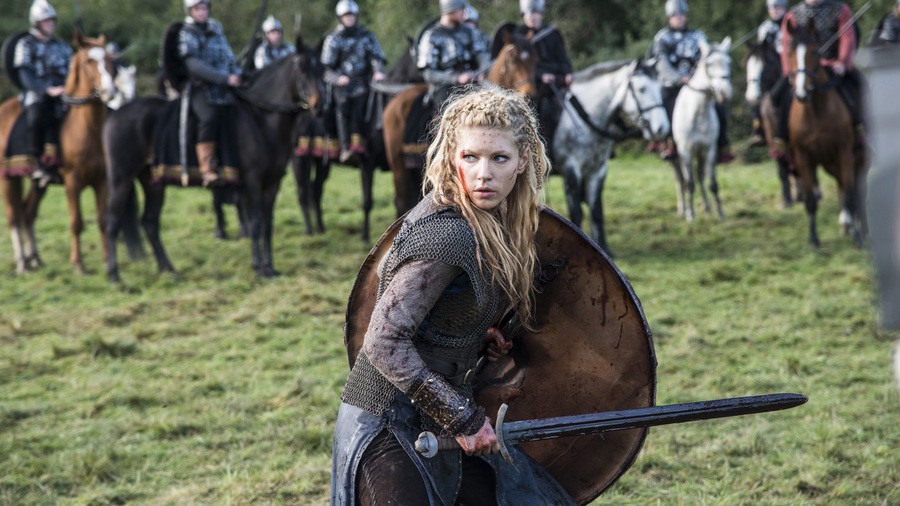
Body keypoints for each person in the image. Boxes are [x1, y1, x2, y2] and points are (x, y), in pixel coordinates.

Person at [331, 84, 574, 505]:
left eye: (499, 158)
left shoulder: (494, 222)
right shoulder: (448, 233)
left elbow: (438, 312)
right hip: (388, 418)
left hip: (438, 411)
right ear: (452, 157)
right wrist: (462, 419)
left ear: (523, 160)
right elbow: (384, 340)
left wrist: (473, 333)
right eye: (470, 157)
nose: (483, 174)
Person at [772, 0, 865, 164]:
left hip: (834, 67)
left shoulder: (840, 10)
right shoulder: (793, 15)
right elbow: (787, 46)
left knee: (860, 87)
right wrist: (789, 72)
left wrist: (843, 62)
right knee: (779, 97)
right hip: (802, 70)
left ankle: (861, 134)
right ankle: (783, 142)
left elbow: (848, 39)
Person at [652, 0, 735, 163]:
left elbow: (704, 60)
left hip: (696, 86)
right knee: (666, 109)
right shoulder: (663, 37)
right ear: (669, 17)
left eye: (682, 14)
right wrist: (678, 77)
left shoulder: (698, 37)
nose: (679, 18)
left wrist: (698, 74)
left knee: (719, 108)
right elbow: (662, 63)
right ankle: (669, 143)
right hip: (672, 86)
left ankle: (722, 145)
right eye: (675, 15)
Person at [177, 0, 242, 187]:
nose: (202, 12)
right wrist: (224, 78)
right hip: (200, 88)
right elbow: (194, 66)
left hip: (224, 88)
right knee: (209, 117)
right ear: (190, 10)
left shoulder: (216, 29)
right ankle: (208, 168)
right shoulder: (186, 32)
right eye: (197, 9)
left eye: (204, 8)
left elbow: (229, 57)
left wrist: (237, 74)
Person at [13, 0, 72, 184]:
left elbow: (72, 71)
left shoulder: (62, 46)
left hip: (64, 93)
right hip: (37, 94)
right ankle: (38, 162)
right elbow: (25, 74)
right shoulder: (26, 44)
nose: (50, 24)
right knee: (36, 117)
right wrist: (46, 90)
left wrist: (68, 88)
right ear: (36, 23)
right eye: (46, 21)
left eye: (52, 20)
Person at [321, 0, 386, 164]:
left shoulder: (366, 35)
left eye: (351, 15)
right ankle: (344, 148)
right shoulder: (333, 38)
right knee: (342, 106)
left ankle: (364, 145)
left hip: (363, 83)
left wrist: (377, 71)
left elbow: (376, 56)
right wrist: (338, 79)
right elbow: (326, 68)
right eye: (346, 16)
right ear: (340, 18)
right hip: (341, 85)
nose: (349, 18)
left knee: (366, 105)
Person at [513, 0, 573, 147]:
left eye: (534, 13)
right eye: (527, 14)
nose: (531, 17)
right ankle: (541, 145)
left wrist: (567, 73)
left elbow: (562, 57)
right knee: (542, 107)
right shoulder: (519, 35)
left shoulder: (552, 33)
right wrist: (541, 75)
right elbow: (521, 64)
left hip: (556, 78)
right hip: (533, 81)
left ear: (541, 14)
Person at [416, 0, 490, 109]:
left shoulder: (468, 32)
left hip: (472, 81)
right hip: (446, 88)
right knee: (449, 111)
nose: (464, 12)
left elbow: (481, 54)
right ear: (450, 8)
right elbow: (428, 73)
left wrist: (484, 70)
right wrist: (456, 78)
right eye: (461, 9)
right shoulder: (431, 36)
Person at [748, 0, 787, 147]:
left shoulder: (790, 23)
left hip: (787, 66)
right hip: (770, 69)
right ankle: (758, 128)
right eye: (772, 8)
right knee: (752, 93)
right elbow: (761, 51)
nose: (775, 11)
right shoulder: (765, 27)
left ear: (784, 7)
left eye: (778, 8)